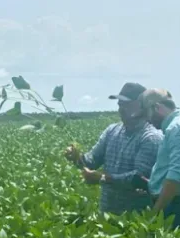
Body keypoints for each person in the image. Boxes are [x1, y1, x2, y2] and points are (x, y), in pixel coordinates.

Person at [64, 82, 163, 214]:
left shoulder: (151, 137)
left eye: (126, 104)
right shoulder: (112, 131)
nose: (121, 108)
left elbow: (139, 178)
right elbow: (91, 162)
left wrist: (102, 178)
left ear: (142, 106)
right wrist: (77, 157)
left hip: (137, 217)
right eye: (120, 104)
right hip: (107, 213)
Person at [140, 88, 180, 230]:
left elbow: (176, 176)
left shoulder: (178, 128)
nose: (148, 121)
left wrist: (156, 212)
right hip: (174, 202)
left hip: (175, 207)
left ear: (157, 108)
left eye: (147, 114)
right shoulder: (179, 124)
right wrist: (154, 183)